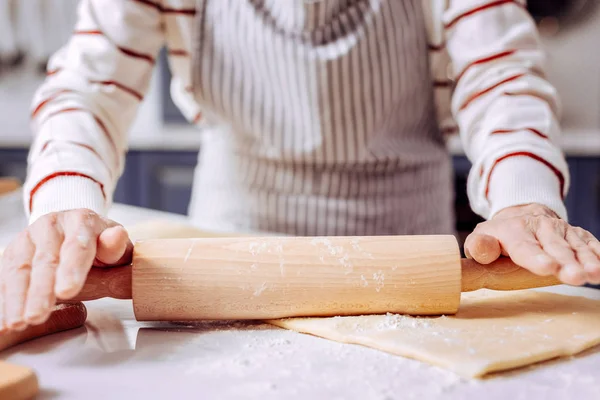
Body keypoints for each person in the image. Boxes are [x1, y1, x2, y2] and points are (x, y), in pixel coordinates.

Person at [1, 0, 599, 334]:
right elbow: (87, 87)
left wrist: (524, 197)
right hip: (228, 235)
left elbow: (501, 79)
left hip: (402, 241)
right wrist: (66, 205)